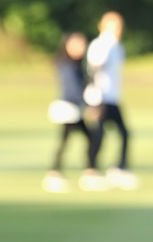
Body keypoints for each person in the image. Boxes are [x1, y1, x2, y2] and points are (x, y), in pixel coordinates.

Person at [43, 32, 104, 193]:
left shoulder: (77, 64)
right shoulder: (66, 64)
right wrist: (88, 106)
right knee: (74, 139)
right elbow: (73, 90)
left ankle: (62, 172)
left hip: (74, 109)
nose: (80, 48)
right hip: (67, 109)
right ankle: (61, 173)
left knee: (77, 139)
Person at [86, 11, 139, 190]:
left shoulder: (117, 46)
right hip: (99, 98)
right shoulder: (102, 45)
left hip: (112, 97)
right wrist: (94, 100)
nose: (117, 29)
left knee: (124, 133)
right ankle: (91, 171)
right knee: (98, 136)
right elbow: (94, 70)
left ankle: (119, 169)